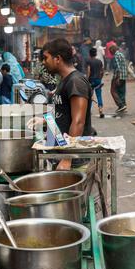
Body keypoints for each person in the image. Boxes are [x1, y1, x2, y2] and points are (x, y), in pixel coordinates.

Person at [42, 38, 92, 170]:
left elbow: (78, 122)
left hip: (74, 161)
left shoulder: (76, 82)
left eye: (46, 58)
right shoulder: (64, 81)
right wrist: (43, 121)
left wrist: (67, 158)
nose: (43, 62)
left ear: (57, 59)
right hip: (60, 155)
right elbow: (62, 113)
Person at [109, 44, 127, 113]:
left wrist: (117, 78)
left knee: (113, 91)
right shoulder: (121, 54)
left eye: (110, 51)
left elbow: (118, 68)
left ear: (112, 50)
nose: (110, 52)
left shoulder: (116, 56)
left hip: (118, 76)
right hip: (124, 76)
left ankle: (121, 105)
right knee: (121, 91)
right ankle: (123, 106)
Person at [87, 47, 104, 118]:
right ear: (96, 54)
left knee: (90, 96)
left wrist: (87, 79)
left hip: (91, 80)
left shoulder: (89, 61)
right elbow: (102, 71)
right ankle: (100, 109)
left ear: (89, 54)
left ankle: (89, 111)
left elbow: (89, 71)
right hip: (98, 80)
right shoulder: (99, 61)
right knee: (99, 95)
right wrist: (100, 78)